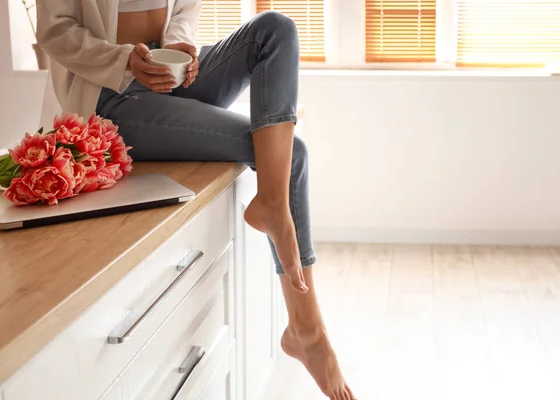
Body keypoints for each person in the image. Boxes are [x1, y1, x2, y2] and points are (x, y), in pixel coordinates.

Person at [37, 1, 355, 399]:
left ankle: (273, 206)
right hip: (110, 94)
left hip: (170, 72)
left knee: (275, 29)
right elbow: (54, 30)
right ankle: (308, 330)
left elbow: (186, 6)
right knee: (294, 156)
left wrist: (180, 44)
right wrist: (123, 60)